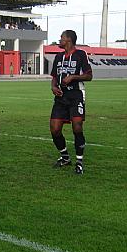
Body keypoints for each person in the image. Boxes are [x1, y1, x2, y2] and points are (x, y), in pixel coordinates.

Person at [50, 30, 93, 175]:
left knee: (77, 127)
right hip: (61, 96)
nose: (59, 40)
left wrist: (73, 77)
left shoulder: (81, 54)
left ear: (68, 40)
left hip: (76, 95)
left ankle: (79, 162)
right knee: (55, 129)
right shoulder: (58, 56)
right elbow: (54, 76)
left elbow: (89, 76)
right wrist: (53, 87)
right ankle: (65, 157)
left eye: (61, 37)